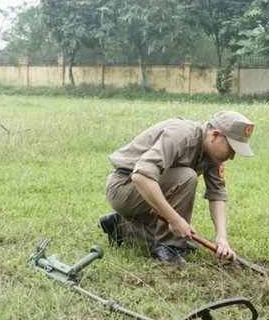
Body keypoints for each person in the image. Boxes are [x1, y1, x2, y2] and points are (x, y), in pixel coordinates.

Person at [99, 110, 255, 265]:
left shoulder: (212, 155)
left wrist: (222, 239)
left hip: (147, 189)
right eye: (231, 149)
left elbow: (217, 195)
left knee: (189, 242)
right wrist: (174, 219)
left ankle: (121, 227)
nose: (232, 157)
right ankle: (167, 247)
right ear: (215, 135)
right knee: (187, 177)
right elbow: (141, 177)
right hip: (123, 187)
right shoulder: (180, 136)